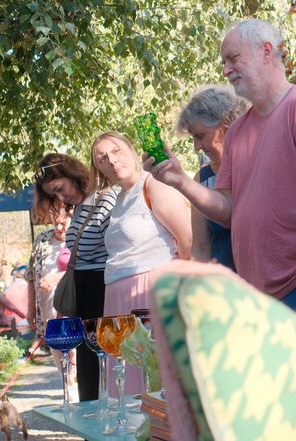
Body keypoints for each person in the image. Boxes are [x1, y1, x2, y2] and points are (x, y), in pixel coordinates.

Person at [148, 19, 296, 312]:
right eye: (223, 62)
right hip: (254, 295)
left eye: (233, 58)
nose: (225, 70)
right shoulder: (239, 130)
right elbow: (227, 210)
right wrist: (181, 182)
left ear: (267, 52)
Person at [91, 131, 192, 395]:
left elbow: (188, 240)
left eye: (116, 151)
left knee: (153, 384)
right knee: (126, 391)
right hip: (117, 302)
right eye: (102, 158)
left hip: (149, 297)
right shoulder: (120, 199)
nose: (111, 160)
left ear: (133, 152)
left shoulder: (153, 184)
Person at [33, 152, 117, 401]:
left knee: (108, 366)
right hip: (83, 298)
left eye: (60, 188)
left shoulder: (106, 197)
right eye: (53, 194)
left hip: (104, 291)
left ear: (71, 174)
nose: (60, 197)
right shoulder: (78, 208)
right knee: (89, 372)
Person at [175, 85, 248, 270]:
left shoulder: (255, 164)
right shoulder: (202, 178)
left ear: (225, 125)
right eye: (193, 138)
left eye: (200, 136)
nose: (196, 147)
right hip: (225, 287)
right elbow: (200, 247)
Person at [27, 205, 75, 391]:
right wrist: (30, 308)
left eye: (63, 223)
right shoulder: (42, 240)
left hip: (73, 315)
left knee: (75, 368)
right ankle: (69, 400)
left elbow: (81, 270)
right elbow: (30, 276)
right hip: (49, 317)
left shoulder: (80, 238)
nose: (59, 228)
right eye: (55, 223)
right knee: (62, 369)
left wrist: (57, 278)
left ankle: (75, 401)